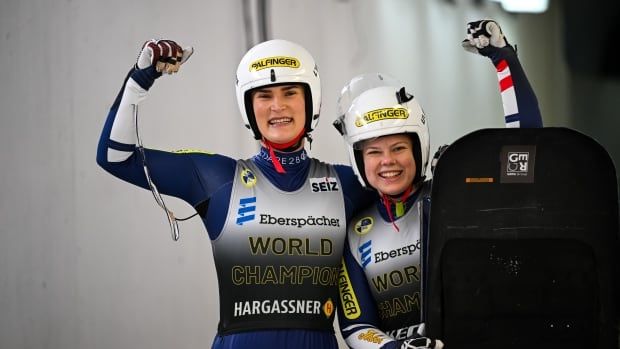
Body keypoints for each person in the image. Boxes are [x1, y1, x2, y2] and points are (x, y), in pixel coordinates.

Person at [96, 38, 375, 348]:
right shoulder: (216, 178)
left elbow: (410, 199)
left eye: (290, 93)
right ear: (248, 107)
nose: (277, 106)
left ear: (312, 101)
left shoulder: (348, 183)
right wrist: (140, 79)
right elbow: (114, 156)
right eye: (264, 95)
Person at [334, 20, 543, 349]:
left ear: (419, 149)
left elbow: (525, 153)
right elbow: (357, 326)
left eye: (399, 148)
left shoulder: (454, 197)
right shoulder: (356, 231)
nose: (387, 161)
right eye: (374, 152)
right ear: (359, 160)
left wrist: (504, 61)